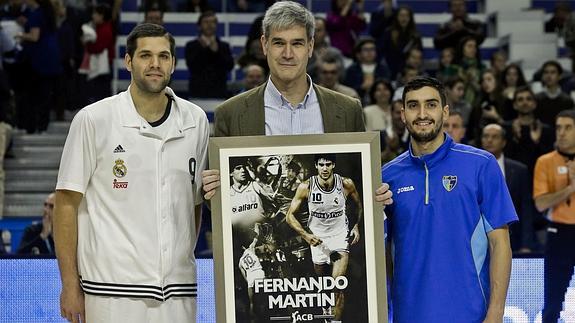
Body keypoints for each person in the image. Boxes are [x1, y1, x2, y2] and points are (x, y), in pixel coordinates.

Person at [54, 23, 209, 323]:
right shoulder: (93, 119)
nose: (155, 64)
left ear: (174, 64)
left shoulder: (196, 121)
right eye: (145, 55)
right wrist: (70, 285)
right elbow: (66, 203)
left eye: (164, 56)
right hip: (110, 290)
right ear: (128, 61)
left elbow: (194, 203)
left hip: (177, 290)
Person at [205, 1, 392, 206]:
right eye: (278, 43)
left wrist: (375, 194)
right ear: (264, 44)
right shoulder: (230, 113)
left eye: (297, 43)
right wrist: (212, 190)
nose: (287, 54)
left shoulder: (348, 110)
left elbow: (358, 185)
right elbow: (221, 205)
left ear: (310, 46)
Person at [382, 77, 517, 322]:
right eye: (413, 106)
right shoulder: (387, 176)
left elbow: (501, 244)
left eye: (431, 104)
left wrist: (496, 313)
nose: (422, 114)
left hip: (470, 314)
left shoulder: (481, 165)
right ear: (402, 115)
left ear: (445, 112)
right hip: (408, 315)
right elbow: (382, 253)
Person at [285, 154, 363, 322]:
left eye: (328, 164)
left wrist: (356, 225)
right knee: (323, 284)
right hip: (318, 240)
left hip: (339, 236)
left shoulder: (345, 184)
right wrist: (306, 236)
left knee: (337, 285)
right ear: (316, 166)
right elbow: (289, 216)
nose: (325, 168)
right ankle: (326, 311)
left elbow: (359, 205)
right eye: (321, 165)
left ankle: (335, 321)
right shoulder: (306, 187)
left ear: (333, 165)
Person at [533, 109, 575, 323]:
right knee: (552, 303)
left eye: (568, 127)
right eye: (559, 127)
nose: (561, 133)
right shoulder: (545, 161)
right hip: (559, 234)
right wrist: (570, 188)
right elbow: (540, 204)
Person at [481, 124, 537, 253]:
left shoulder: (519, 170)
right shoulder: (471, 169)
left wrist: (526, 244)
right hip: (480, 240)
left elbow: (526, 209)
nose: (489, 140)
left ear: (504, 142)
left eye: (495, 137)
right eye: (486, 136)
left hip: (513, 239)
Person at [185, 11, 234, 99]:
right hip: (198, 92)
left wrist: (216, 52)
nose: (209, 25)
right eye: (206, 22)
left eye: (212, 22)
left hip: (219, 91)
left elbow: (229, 66)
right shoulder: (191, 45)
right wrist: (203, 49)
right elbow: (191, 66)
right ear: (199, 26)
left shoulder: (224, 46)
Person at [535, 60, 574, 127]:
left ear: (559, 76)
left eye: (553, 72)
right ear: (542, 76)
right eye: (546, 72)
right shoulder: (536, 99)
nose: (549, 76)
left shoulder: (567, 100)